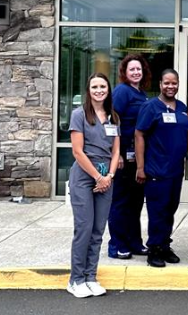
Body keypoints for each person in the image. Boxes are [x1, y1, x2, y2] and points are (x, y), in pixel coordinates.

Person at [66, 73, 118, 298]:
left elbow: (116, 151)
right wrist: (98, 177)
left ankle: (90, 277)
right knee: (84, 228)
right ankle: (75, 279)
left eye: (103, 86)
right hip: (85, 175)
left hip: (107, 176)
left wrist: (109, 176)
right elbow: (77, 151)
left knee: (98, 231)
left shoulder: (114, 117)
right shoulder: (79, 115)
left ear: (108, 90)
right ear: (89, 90)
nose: (99, 90)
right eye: (94, 86)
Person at [134, 69, 188, 268]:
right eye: (167, 83)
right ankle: (154, 249)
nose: (170, 86)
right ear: (160, 84)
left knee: (170, 210)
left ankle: (165, 245)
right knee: (157, 211)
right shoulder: (151, 107)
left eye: (174, 83)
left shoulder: (182, 107)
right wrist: (140, 167)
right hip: (156, 169)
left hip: (175, 171)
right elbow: (139, 135)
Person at [105, 54, 151, 260]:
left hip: (137, 158)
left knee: (135, 203)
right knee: (121, 203)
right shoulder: (122, 91)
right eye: (132, 69)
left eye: (139, 69)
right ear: (125, 72)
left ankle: (134, 242)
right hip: (123, 156)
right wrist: (117, 153)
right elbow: (112, 120)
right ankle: (117, 245)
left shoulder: (142, 93)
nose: (136, 72)